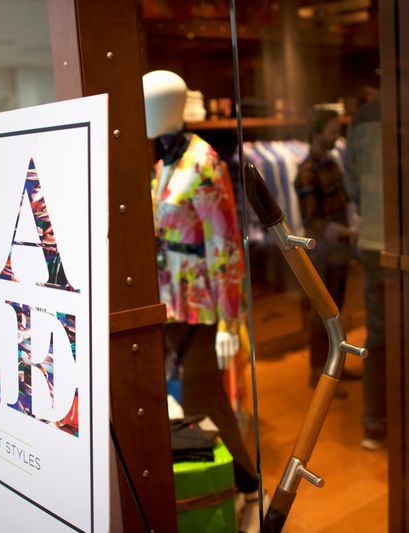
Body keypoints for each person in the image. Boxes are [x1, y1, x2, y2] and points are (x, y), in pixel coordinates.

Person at [143, 70, 263, 530]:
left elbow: (226, 246)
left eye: (149, 103)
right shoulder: (163, 163)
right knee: (195, 401)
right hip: (171, 303)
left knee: (202, 398)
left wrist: (231, 323)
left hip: (203, 307)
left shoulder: (204, 163)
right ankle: (237, 487)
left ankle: (249, 485)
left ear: (169, 108)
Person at [295, 106, 358, 386]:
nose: (337, 136)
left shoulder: (332, 163)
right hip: (323, 252)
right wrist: (345, 232)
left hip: (338, 250)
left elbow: (343, 201)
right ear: (319, 133)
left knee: (336, 315)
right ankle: (319, 374)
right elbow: (313, 220)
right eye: (333, 130)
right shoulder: (306, 171)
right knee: (323, 316)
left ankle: (336, 371)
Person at [342, 92, 386, 450]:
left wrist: (368, 210)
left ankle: (376, 423)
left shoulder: (362, 118)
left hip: (374, 237)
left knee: (379, 336)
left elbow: (351, 181)